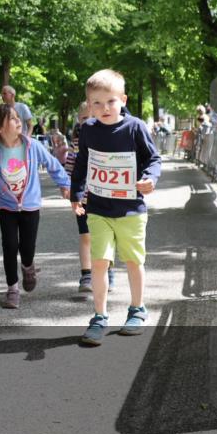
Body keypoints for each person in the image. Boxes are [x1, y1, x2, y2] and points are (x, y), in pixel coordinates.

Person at [73, 70, 161, 345]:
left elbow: (153, 158)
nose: (104, 108)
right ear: (88, 105)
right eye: (96, 103)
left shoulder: (135, 127)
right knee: (99, 262)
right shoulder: (87, 129)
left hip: (131, 210)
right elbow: (82, 163)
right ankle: (99, 317)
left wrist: (150, 178)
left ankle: (137, 309)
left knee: (133, 261)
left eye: (110, 101)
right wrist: (76, 194)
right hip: (98, 209)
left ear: (122, 100)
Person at [0, 104, 71, 309]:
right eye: (14, 118)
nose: (20, 121)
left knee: (27, 248)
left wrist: (65, 185)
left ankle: (28, 266)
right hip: (7, 207)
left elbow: (53, 165)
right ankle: (12, 290)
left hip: (30, 207)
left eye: (18, 118)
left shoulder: (32, 146)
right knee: (9, 247)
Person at [65, 102, 114, 293]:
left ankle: (108, 271)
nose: (89, 122)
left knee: (105, 237)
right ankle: (86, 274)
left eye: (93, 118)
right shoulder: (76, 144)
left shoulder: (109, 140)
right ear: (79, 120)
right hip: (83, 199)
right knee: (85, 236)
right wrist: (69, 188)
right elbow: (69, 167)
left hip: (105, 197)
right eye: (85, 118)